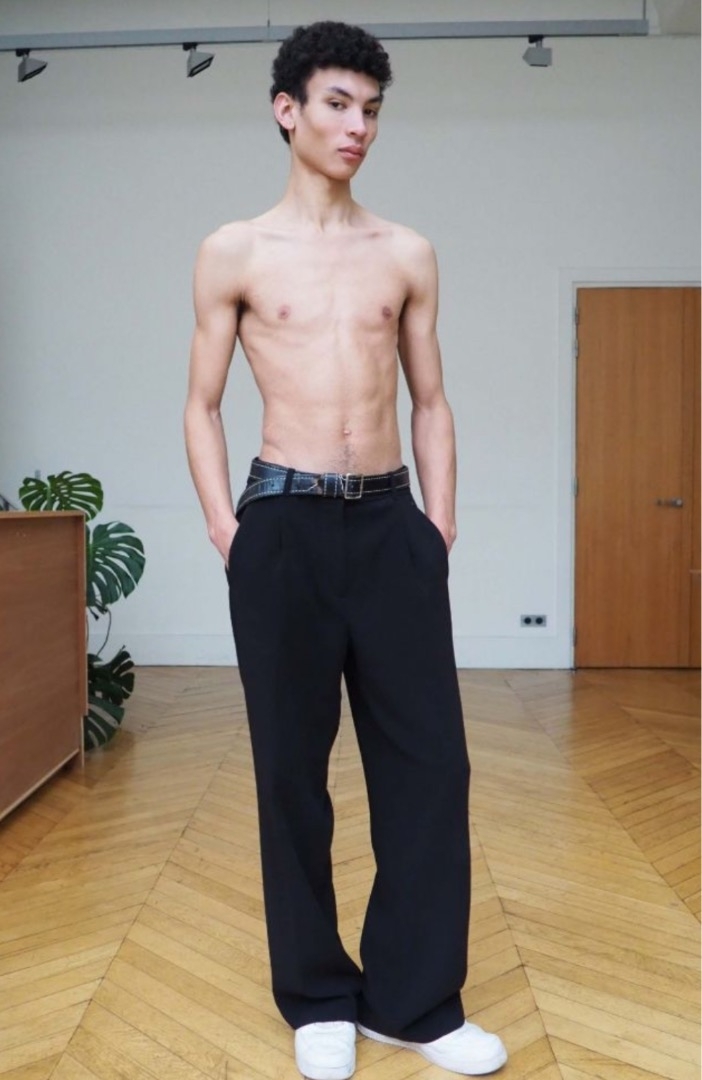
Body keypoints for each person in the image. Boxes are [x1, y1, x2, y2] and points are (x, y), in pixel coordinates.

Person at [184, 20, 508, 1080]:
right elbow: (200, 404)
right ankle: (319, 994)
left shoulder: (404, 252)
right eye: (336, 104)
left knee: (432, 766)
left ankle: (414, 1003)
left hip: (389, 525)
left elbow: (431, 400)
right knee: (291, 770)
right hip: (279, 525)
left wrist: (437, 526)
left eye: (370, 108)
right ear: (287, 110)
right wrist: (229, 531)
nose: (357, 125)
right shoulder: (234, 250)